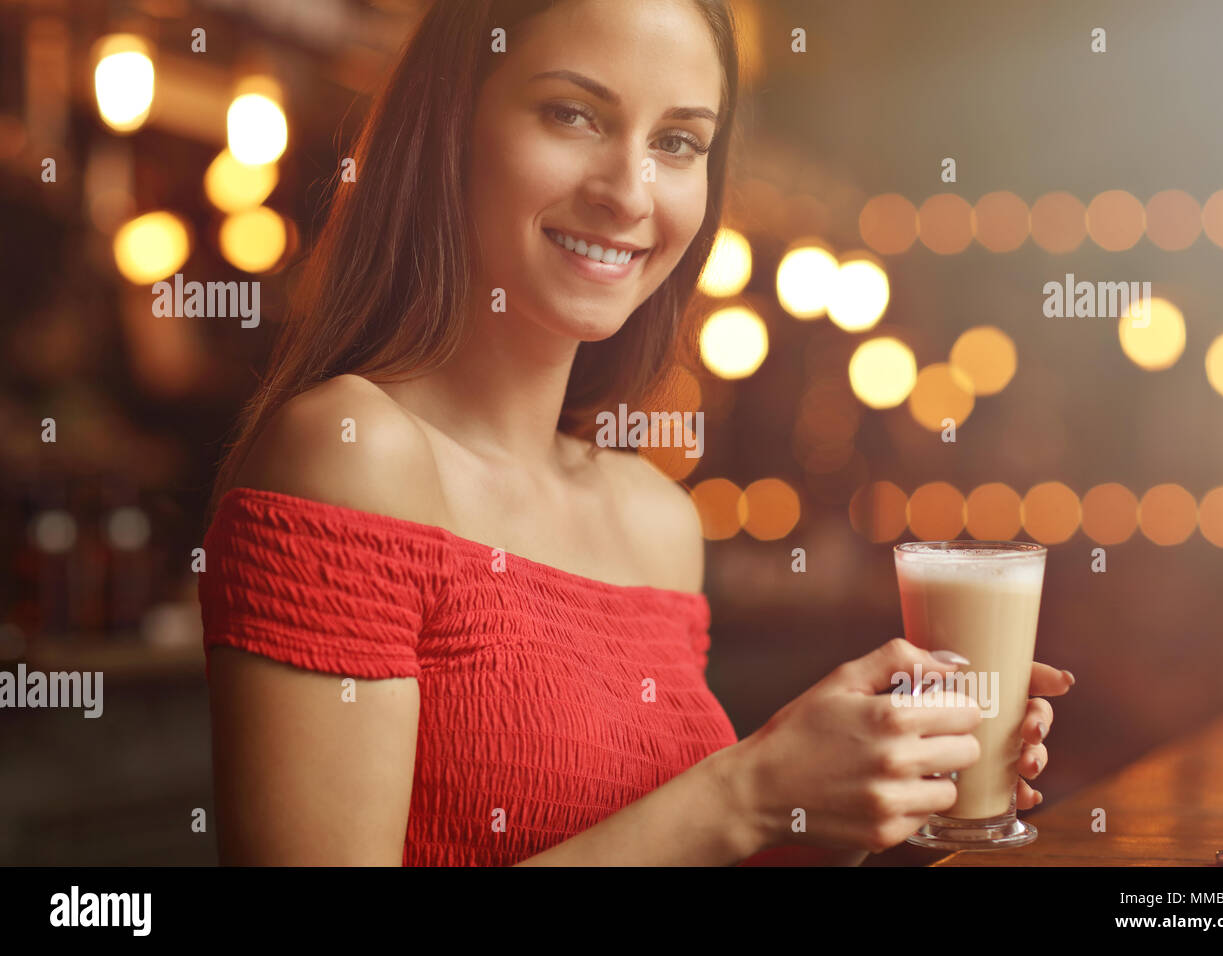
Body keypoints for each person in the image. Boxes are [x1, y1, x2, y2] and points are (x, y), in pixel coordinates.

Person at [201, 0, 1073, 866]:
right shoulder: (353, 450)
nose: (627, 192)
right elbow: (708, 817)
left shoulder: (656, 519)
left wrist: (827, 802)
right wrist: (747, 792)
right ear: (449, 125)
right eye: (573, 114)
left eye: (677, 142)